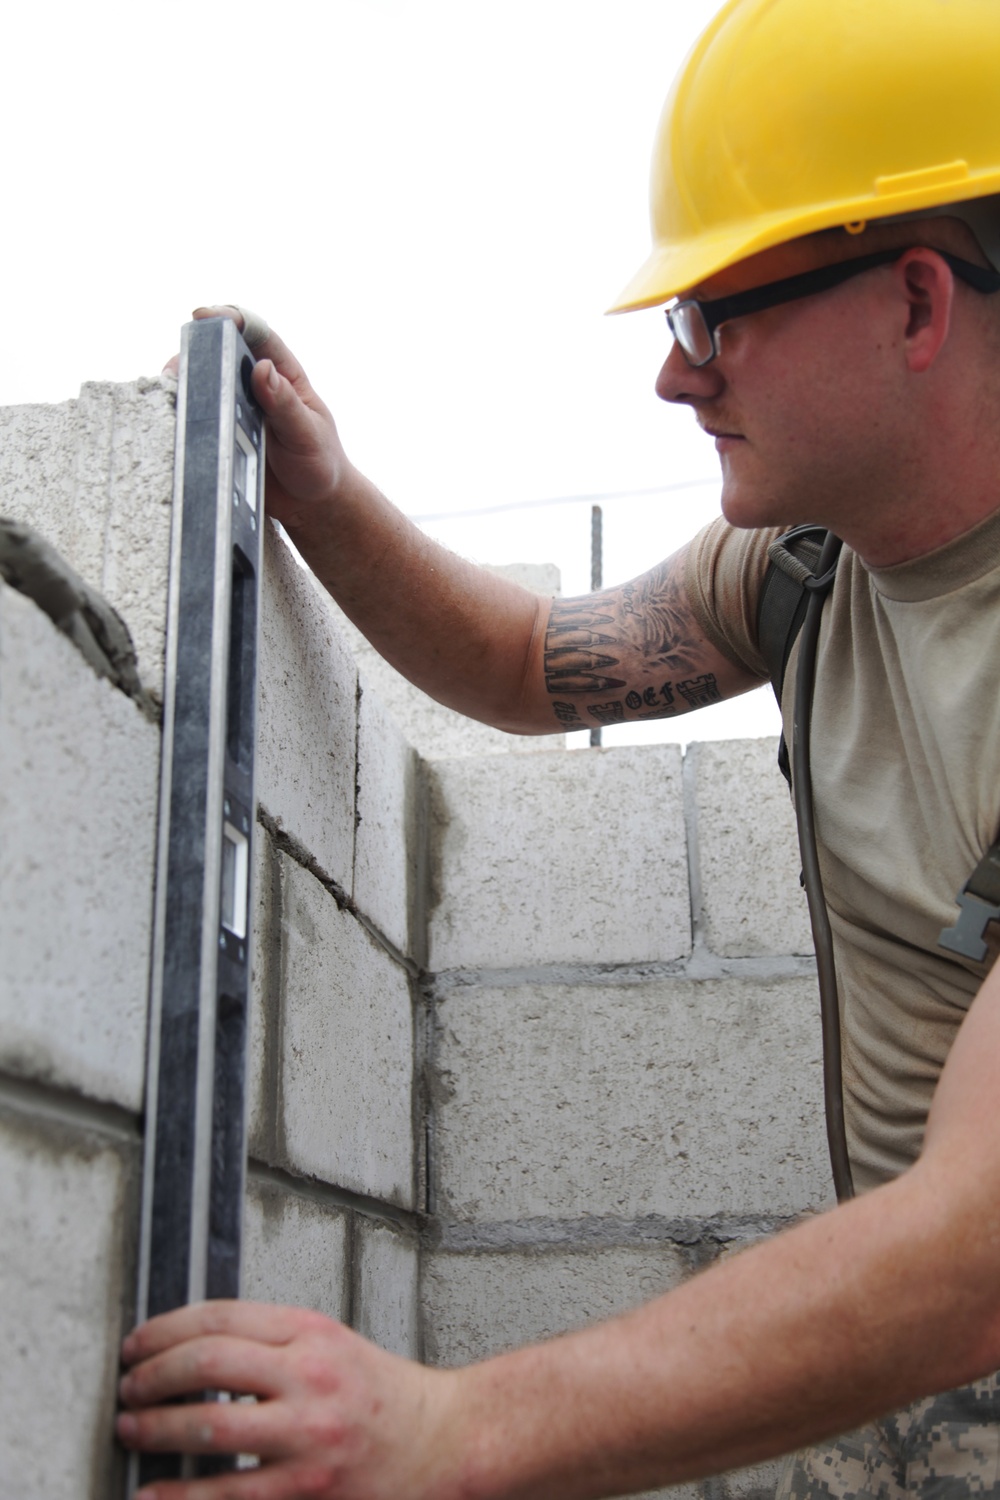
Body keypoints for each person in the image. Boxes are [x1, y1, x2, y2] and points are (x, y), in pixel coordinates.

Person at [117, 1, 1000, 1496]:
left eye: (714, 315)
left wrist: (448, 1431)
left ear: (916, 304)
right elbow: (530, 664)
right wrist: (324, 496)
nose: (676, 375)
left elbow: (978, 1242)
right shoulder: (803, 570)